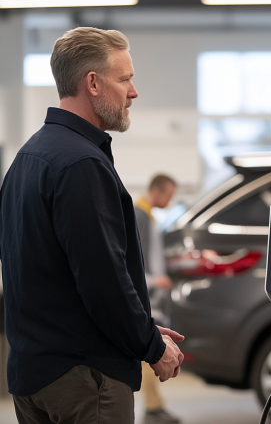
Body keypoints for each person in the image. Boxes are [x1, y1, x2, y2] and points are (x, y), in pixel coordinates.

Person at [0, 27, 184, 424]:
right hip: (85, 381)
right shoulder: (81, 165)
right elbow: (103, 279)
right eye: (126, 79)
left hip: (33, 375)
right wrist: (152, 345)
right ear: (94, 83)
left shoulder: (28, 158)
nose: (133, 92)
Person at [135, 174, 181, 424]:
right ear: (157, 191)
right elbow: (132, 261)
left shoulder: (149, 216)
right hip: (147, 295)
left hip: (153, 295)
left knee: (152, 349)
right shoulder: (139, 216)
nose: (171, 200)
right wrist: (154, 281)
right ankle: (153, 408)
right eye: (170, 195)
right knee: (150, 351)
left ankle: (155, 406)